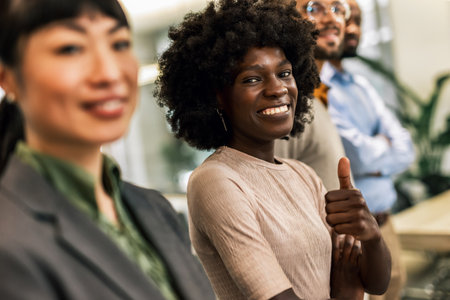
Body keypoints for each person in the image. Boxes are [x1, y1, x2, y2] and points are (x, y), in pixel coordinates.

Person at [155, 0, 391, 299]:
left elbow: (375, 282)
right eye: (252, 79)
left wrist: (369, 234)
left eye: (284, 73)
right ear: (216, 97)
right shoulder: (216, 180)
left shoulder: (302, 174)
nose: (277, 88)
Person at [0, 1, 215, 299]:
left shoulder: (153, 208)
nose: (109, 73)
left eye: (119, 44)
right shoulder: (10, 239)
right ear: (8, 77)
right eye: (71, 48)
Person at [322, 0, 415, 299]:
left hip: (385, 225)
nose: (349, 27)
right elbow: (356, 156)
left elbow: (405, 149)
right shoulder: (318, 90)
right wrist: (380, 145)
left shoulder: (360, 85)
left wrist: (377, 150)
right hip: (353, 239)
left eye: (354, 19)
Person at [274, 0, 350, 191]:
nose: (332, 18)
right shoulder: (282, 102)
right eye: (314, 8)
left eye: (337, 8)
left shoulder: (316, 95)